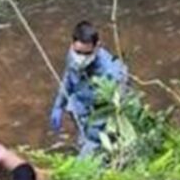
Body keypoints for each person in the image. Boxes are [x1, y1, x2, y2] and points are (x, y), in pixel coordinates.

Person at [49, 21, 128, 157]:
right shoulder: (73, 56)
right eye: (78, 52)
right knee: (82, 138)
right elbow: (68, 79)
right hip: (81, 108)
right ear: (72, 44)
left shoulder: (111, 71)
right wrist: (58, 106)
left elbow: (118, 104)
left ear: (97, 47)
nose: (80, 58)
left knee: (97, 148)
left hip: (101, 112)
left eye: (86, 54)